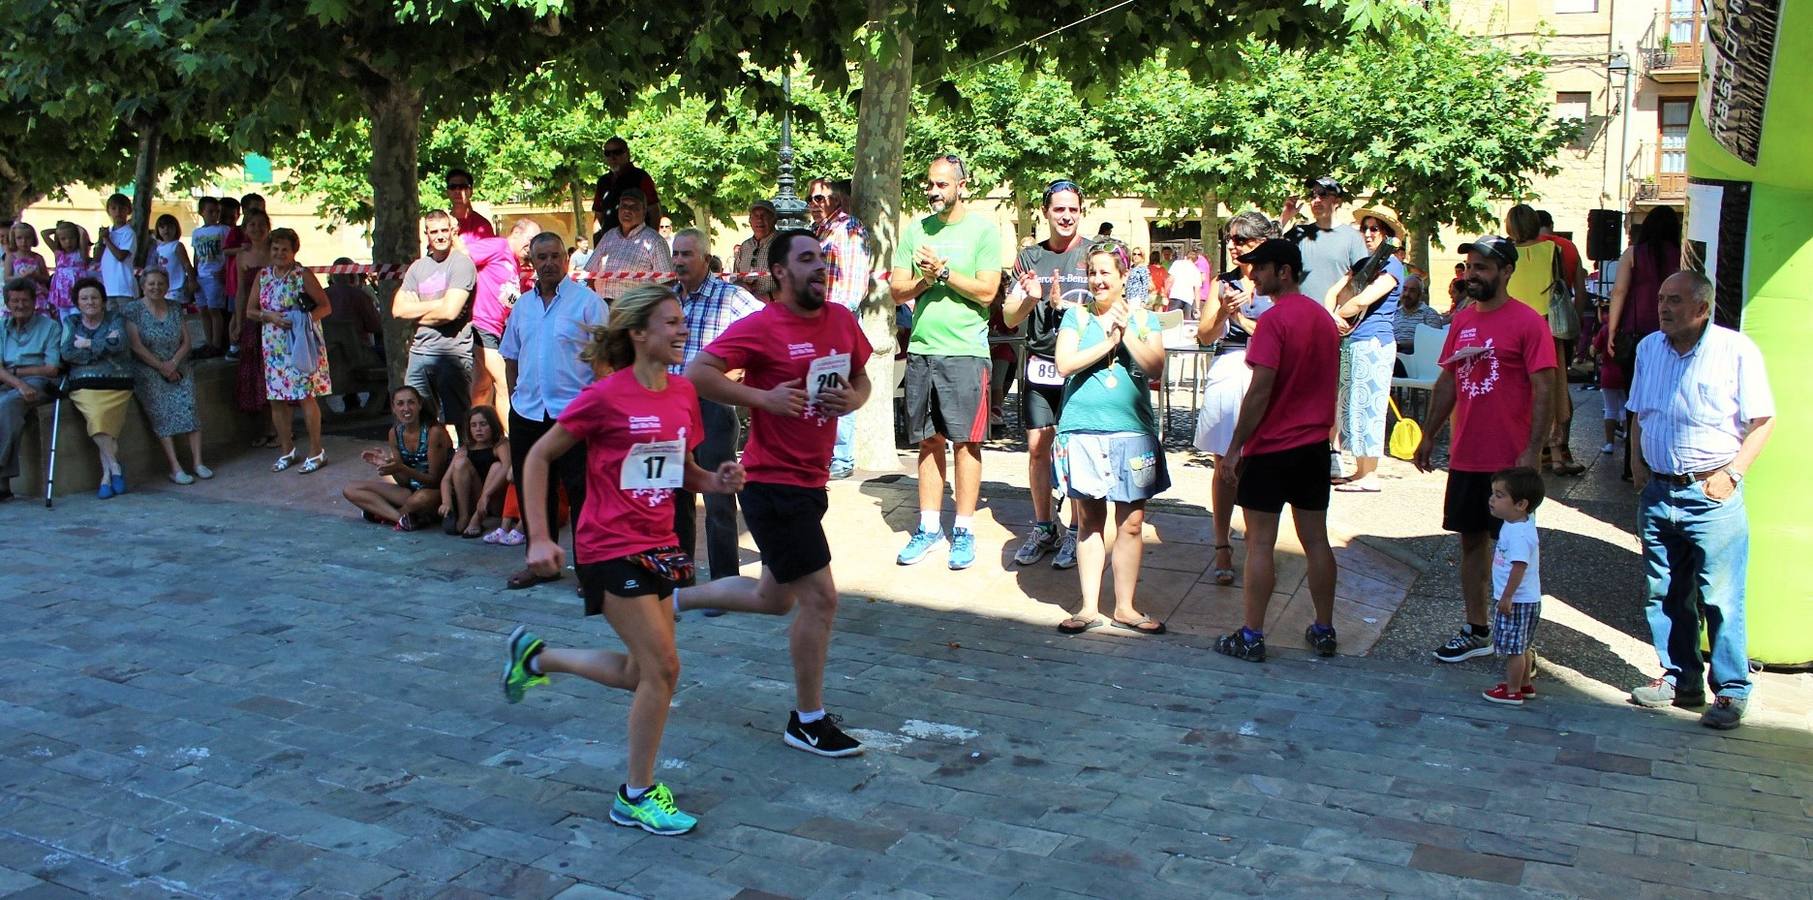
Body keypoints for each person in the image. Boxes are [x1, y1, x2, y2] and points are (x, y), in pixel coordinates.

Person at [502, 286, 746, 837]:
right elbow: (538, 455)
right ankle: (635, 794)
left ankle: (536, 660)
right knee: (664, 670)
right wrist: (539, 538)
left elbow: (685, 471)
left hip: (660, 543)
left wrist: (717, 480)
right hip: (608, 545)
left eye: (684, 322)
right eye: (671, 323)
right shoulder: (605, 396)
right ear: (639, 333)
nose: (683, 331)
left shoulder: (683, 393)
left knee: (643, 671)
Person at [680, 228, 874, 758]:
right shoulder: (763, 327)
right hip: (772, 484)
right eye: (807, 259)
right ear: (781, 273)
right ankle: (807, 720)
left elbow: (862, 380)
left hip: (811, 482)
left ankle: (673, 599)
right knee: (821, 598)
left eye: (822, 259)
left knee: (773, 598)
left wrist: (851, 401)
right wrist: (760, 397)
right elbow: (697, 372)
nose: (819, 267)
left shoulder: (840, 319)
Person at [1626, 270, 1774, 730]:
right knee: (1664, 591)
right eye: (1661, 299)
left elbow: (1763, 420)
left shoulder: (1735, 350)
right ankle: (1680, 679)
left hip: (1712, 492)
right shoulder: (1649, 348)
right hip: (1659, 490)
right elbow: (1639, 413)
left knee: (1721, 596)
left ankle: (1730, 690)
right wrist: (1636, 465)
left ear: (1702, 308)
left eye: (1675, 300)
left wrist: (1732, 475)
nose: (1663, 307)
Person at [1413, 236, 1557, 664]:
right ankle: (1477, 629)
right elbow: (1447, 382)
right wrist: (1428, 434)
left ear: (1507, 272)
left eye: (1483, 267)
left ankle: (1518, 637)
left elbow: (1545, 386)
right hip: (1466, 455)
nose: (1473, 274)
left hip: (1510, 461)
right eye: (1470, 267)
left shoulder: (1529, 322)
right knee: (1470, 543)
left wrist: (1534, 449)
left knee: (1515, 549)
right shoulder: (1461, 322)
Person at [1212, 239, 1341, 662]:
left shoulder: (1273, 321)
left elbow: (1260, 389)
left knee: (1261, 544)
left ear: (1284, 271)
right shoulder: (1323, 319)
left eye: (1261, 268)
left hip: (1272, 448)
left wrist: (1234, 448)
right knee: (1316, 540)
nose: (1253, 274)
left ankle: (1252, 636)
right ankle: (1325, 629)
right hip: (1313, 448)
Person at [1051, 240, 1170, 635]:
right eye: (1093, 273)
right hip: (1082, 430)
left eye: (1106, 272)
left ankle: (1125, 607)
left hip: (1132, 432)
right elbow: (1065, 363)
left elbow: (1155, 365)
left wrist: (1125, 333)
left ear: (1122, 277)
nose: (1098, 280)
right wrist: (1106, 342)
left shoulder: (1145, 320)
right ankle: (1087, 606)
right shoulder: (1077, 318)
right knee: (1089, 520)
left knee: (1132, 522)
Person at [890, 154, 1002, 571]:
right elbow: (897, 292)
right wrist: (925, 279)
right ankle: (929, 527)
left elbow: (988, 292)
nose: (934, 192)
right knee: (927, 440)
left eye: (942, 184)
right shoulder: (915, 231)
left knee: (966, 443)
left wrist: (944, 272)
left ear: (962, 185)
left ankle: (965, 530)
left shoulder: (983, 232)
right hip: (922, 350)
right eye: (930, 185)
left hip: (966, 353)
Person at [500, 232, 608, 590]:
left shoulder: (588, 304)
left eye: (554, 256)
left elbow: (604, 363)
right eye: (540, 257)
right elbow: (511, 357)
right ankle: (540, 563)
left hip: (574, 414)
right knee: (535, 491)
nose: (547, 263)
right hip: (528, 412)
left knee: (583, 493)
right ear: (532, 262)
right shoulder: (522, 307)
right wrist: (516, 397)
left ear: (566, 259)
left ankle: (589, 569)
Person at [1002, 179, 1090, 570]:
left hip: (1082, 366)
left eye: (1073, 209)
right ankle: (1043, 526)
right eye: (1059, 209)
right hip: (1040, 363)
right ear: (1045, 212)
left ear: (1081, 212)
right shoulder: (1028, 257)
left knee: (1075, 451)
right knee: (1038, 447)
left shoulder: (1095, 253)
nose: (1066, 216)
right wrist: (1032, 299)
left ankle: (1076, 530)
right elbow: (1008, 317)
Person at [670, 228, 762, 586]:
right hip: (671, 407)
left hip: (712, 407)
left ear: (706, 260)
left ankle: (725, 582)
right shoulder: (667, 299)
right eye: (675, 254)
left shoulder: (732, 298)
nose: (678, 261)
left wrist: (740, 371)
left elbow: (767, 331)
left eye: (686, 254)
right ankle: (679, 579)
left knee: (718, 496)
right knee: (676, 495)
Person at [1193, 212, 1278, 586]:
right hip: (1229, 367)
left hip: (1265, 372)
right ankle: (1221, 544)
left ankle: (1260, 542)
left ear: (1262, 243)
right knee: (1224, 464)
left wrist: (1242, 317)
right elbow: (1205, 335)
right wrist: (1224, 313)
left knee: (1260, 463)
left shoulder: (1278, 283)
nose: (1234, 246)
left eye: (1242, 240)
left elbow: (1278, 335)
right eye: (1231, 238)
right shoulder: (1222, 282)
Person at [1327, 206, 1406, 493]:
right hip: (1352, 340)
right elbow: (1334, 292)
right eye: (1366, 228)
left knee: (1369, 405)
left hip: (1375, 341)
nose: (1369, 233)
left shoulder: (1393, 265)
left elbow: (1363, 300)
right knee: (1352, 406)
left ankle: (1369, 473)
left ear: (1387, 235)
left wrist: (1341, 315)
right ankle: (1359, 470)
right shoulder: (1363, 264)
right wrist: (1333, 316)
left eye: (1376, 229)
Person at [1504, 204, 1582, 476]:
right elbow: (1565, 288)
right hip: (1546, 327)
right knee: (1553, 389)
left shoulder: (1505, 253)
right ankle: (1557, 453)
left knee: (1517, 388)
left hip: (1512, 326)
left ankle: (1517, 446)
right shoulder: (1554, 250)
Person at [1605, 207, 1680, 475]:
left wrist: (1612, 330)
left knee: (1634, 399)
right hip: (1674, 334)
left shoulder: (1633, 254)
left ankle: (1632, 463)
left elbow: (1619, 292)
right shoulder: (1682, 253)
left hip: (1636, 333)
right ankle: (1662, 458)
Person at [252, 227, 334, 474]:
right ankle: (287, 449)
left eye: (284, 249)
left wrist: (303, 322)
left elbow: (325, 306)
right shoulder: (263, 276)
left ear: (293, 251)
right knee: (277, 399)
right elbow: (250, 311)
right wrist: (269, 316)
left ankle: (316, 451)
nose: (279, 253)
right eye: (275, 248)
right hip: (273, 344)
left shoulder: (302, 275)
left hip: (300, 342)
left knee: (305, 395)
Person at [395, 210, 479, 443]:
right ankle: (431, 468)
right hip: (419, 353)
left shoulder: (462, 265)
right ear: (426, 235)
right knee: (417, 419)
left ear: (452, 232)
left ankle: (466, 467)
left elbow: (450, 312)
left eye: (444, 230)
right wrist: (439, 305)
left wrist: (417, 312)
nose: (440, 236)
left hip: (452, 353)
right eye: (434, 231)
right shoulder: (417, 267)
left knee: (461, 420)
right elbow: (397, 310)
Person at [812, 178, 875, 480]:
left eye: (820, 199)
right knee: (821, 384)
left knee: (840, 383)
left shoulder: (848, 228)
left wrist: (838, 318)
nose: (814, 204)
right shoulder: (820, 230)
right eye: (811, 199)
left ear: (836, 200)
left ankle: (841, 456)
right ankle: (823, 452)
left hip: (838, 317)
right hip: (818, 317)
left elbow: (854, 282)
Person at [123, 268, 209, 485]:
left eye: (161, 283)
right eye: (151, 283)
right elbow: (136, 346)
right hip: (149, 368)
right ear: (142, 286)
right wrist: (162, 367)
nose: (156, 287)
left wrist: (173, 364)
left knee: (189, 408)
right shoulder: (132, 310)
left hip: (178, 364)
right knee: (161, 414)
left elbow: (186, 342)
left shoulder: (174, 307)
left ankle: (198, 462)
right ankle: (175, 467)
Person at [61, 277, 135, 497]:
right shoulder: (71, 323)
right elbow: (67, 353)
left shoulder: (115, 318)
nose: (90, 302)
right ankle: (114, 468)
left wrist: (86, 345)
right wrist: (103, 346)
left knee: (102, 425)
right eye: (84, 298)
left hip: (117, 382)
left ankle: (106, 477)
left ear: (103, 301)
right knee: (97, 417)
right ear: (77, 302)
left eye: (94, 297)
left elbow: (120, 343)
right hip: (84, 386)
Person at [341, 385, 452, 530]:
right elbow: (404, 482)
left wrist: (401, 468)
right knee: (350, 489)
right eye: (400, 404)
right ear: (393, 408)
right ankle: (401, 519)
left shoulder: (434, 432)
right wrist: (388, 464)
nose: (406, 408)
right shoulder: (394, 433)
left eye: (411, 402)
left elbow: (434, 480)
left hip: (437, 493)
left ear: (419, 405)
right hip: (410, 491)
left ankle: (384, 514)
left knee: (419, 499)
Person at [464, 218, 539, 426]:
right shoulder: (498, 245)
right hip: (481, 324)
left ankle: (476, 436)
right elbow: (463, 256)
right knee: (505, 384)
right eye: (531, 240)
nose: (532, 247)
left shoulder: (515, 263)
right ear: (516, 232)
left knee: (482, 386)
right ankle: (511, 438)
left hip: (497, 329)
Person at [1480, 466, 1545, 705]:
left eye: (1499, 495)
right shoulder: (1519, 523)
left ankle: (1512, 690)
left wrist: (1507, 596)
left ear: (1521, 504)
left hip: (1517, 600)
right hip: (1526, 599)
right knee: (1524, 644)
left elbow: (1519, 566)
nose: (1492, 499)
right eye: (1493, 493)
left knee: (1514, 649)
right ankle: (1525, 684)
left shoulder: (1518, 534)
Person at [0, 278, 59, 501]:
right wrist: (18, 382)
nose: (20, 305)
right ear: (7, 303)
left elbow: (51, 369)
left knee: (6, 405)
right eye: (14, 301)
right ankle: (3, 486)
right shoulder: (1, 327)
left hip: (39, 382)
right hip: (12, 381)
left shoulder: (49, 326)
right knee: (8, 410)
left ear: (35, 302)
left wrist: (19, 376)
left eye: (25, 300)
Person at [1283, 176, 1369, 313]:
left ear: (1337, 201)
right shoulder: (1298, 234)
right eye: (1313, 195)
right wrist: (1285, 217)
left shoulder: (1353, 238)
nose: (1316, 200)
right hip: (1298, 316)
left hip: (1332, 320)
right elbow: (1267, 253)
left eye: (1323, 194)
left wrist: (1344, 314)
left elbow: (1361, 282)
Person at [230, 209, 274, 444]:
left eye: (260, 224)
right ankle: (264, 428)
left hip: (275, 321)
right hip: (252, 320)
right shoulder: (242, 257)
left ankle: (277, 428)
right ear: (245, 229)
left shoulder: (275, 251)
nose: (256, 229)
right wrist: (237, 320)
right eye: (251, 225)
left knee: (273, 374)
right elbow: (241, 292)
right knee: (255, 374)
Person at [586, 189, 670, 305]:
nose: (627, 210)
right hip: (602, 310)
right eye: (623, 206)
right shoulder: (608, 237)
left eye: (633, 207)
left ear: (644, 211)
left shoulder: (655, 242)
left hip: (634, 314)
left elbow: (667, 285)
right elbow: (590, 273)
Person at [440, 405, 510, 538]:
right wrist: (446, 501)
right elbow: (446, 479)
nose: (478, 429)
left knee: (497, 466)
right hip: (475, 497)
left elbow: (507, 466)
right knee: (460, 463)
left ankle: (476, 520)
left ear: (493, 425)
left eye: (483, 424)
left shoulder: (500, 444)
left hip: (495, 499)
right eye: (474, 425)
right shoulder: (465, 449)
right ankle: (464, 515)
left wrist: (486, 496)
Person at [589, 136, 661, 242]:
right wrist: (597, 246)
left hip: (637, 241)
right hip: (610, 244)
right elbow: (598, 217)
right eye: (608, 153)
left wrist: (651, 240)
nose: (612, 157)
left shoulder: (640, 177)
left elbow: (654, 211)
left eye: (617, 152)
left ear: (627, 153)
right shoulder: (603, 182)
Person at [191, 197, 230, 354]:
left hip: (215, 275)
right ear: (201, 212)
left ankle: (216, 343)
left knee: (214, 310)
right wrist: (193, 274)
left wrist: (224, 270)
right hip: (201, 275)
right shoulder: (197, 232)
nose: (214, 215)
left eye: (217, 212)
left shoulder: (223, 230)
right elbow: (196, 254)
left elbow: (228, 253)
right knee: (203, 310)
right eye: (210, 211)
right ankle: (208, 342)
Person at [732, 199, 779, 302]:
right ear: (750, 221)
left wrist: (768, 297)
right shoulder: (745, 246)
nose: (759, 220)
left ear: (774, 219)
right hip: (746, 308)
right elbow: (735, 278)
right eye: (755, 216)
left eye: (764, 215)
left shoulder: (784, 243)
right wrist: (741, 285)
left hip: (775, 309)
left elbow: (795, 283)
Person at [95, 193, 137, 309]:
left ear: (128, 211)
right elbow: (96, 258)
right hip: (108, 287)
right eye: (114, 208)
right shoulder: (108, 231)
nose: (118, 212)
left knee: (127, 321)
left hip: (124, 287)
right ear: (108, 211)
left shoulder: (128, 233)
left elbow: (121, 256)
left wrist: (107, 239)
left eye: (122, 208)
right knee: (113, 322)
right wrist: (101, 240)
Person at [1392, 274, 1447, 356]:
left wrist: (1401, 345)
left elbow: (1433, 342)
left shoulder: (1429, 314)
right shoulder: (1393, 314)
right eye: (1405, 289)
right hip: (1393, 356)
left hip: (1418, 359)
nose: (1407, 294)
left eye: (1412, 291)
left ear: (1420, 294)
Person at [152, 215, 197, 310]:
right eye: (162, 227)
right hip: (164, 287)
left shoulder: (177, 246)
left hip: (178, 287)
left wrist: (192, 281)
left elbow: (187, 264)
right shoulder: (159, 248)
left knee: (176, 313)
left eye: (170, 227)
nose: (166, 230)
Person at [6, 223, 50, 314]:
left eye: (28, 238)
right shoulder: (11, 257)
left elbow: (47, 278)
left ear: (33, 238)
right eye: (19, 238)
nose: (24, 241)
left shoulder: (38, 257)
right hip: (19, 294)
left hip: (37, 295)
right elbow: (7, 278)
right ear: (14, 239)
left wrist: (35, 276)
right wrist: (22, 277)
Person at [47, 222, 89, 318]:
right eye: (63, 239)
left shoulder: (80, 254)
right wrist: (58, 230)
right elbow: (44, 234)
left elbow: (83, 233)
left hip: (76, 291)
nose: (68, 242)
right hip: (62, 294)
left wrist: (77, 228)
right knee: (64, 319)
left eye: (71, 238)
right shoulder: (59, 253)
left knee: (76, 317)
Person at [446, 168, 494, 239]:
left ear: (471, 191)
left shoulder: (482, 225)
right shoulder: (441, 224)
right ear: (447, 192)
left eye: (462, 187)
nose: (457, 191)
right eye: (453, 187)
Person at [1164, 243, 1202, 314]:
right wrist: (1197, 308)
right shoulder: (1197, 271)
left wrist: (1165, 294)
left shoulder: (1177, 263)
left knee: (1172, 320)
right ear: (1196, 261)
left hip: (1175, 296)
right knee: (1185, 322)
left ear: (1185, 257)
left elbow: (1170, 280)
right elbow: (1197, 290)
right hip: (1188, 300)